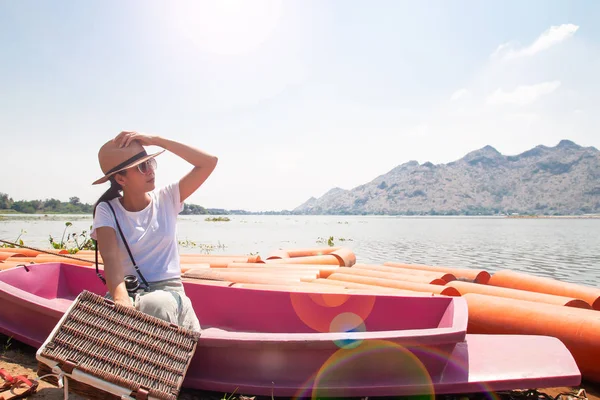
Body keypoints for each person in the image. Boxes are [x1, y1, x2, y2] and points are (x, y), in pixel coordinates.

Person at [90, 131, 218, 332]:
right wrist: (121, 300)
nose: (150, 170)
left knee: (156, 305)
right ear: (121, 179)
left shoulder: (168, 198)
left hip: (167, 291)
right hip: (125, 290)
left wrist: (155, 140)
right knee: (109, 313)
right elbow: (110, 258)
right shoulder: (107, 210)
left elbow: (208, 162)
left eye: (151, 163)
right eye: (142, 167)